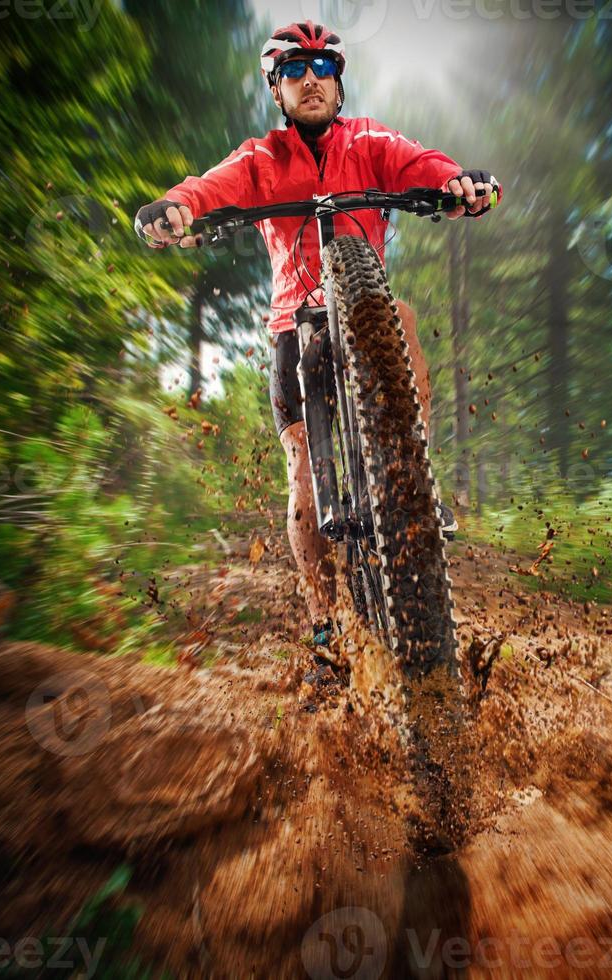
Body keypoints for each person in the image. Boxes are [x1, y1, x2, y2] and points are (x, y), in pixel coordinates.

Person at [135, 20, 500, 650]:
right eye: (295, 72)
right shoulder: (262, 157)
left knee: (402, 316)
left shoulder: (369, 140)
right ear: (277, 90)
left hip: (367, 311)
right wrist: (178, 208)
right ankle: (324, 625)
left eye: (323, 69)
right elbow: (209, 188)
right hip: (291, 327)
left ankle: (411, 476)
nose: (312, 81)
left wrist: (457, 183)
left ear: (338, 82)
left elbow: (422, 163)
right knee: (302, 473)